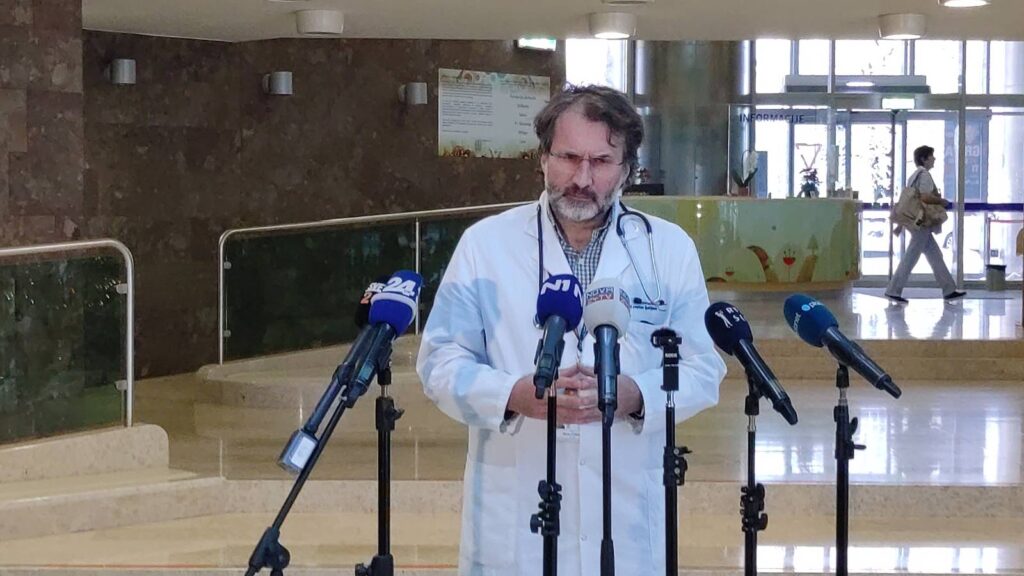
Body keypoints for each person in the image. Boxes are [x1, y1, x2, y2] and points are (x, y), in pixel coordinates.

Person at [416, 85, 726, 576]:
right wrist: (512, 395)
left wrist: (636, 396)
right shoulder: (485, 245)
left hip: (626, 516)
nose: (582, 178)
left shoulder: (667, 249)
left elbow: (703, 368)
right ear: (543, 158)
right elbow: (439, 361)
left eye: (601, 161)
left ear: (626, 169)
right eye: (568, 157)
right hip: (515, 515)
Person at [885, 145, 966, 303]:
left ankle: (949, 289)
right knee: (911, 256)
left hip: (915, 220)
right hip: (921, 222)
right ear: (924, 159)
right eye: (931, 156)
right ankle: (893, 290)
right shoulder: (925, 175)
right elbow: (924, 197)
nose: (934, 159)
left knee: (935, 255)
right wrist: (941, 201)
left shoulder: (914, 176)